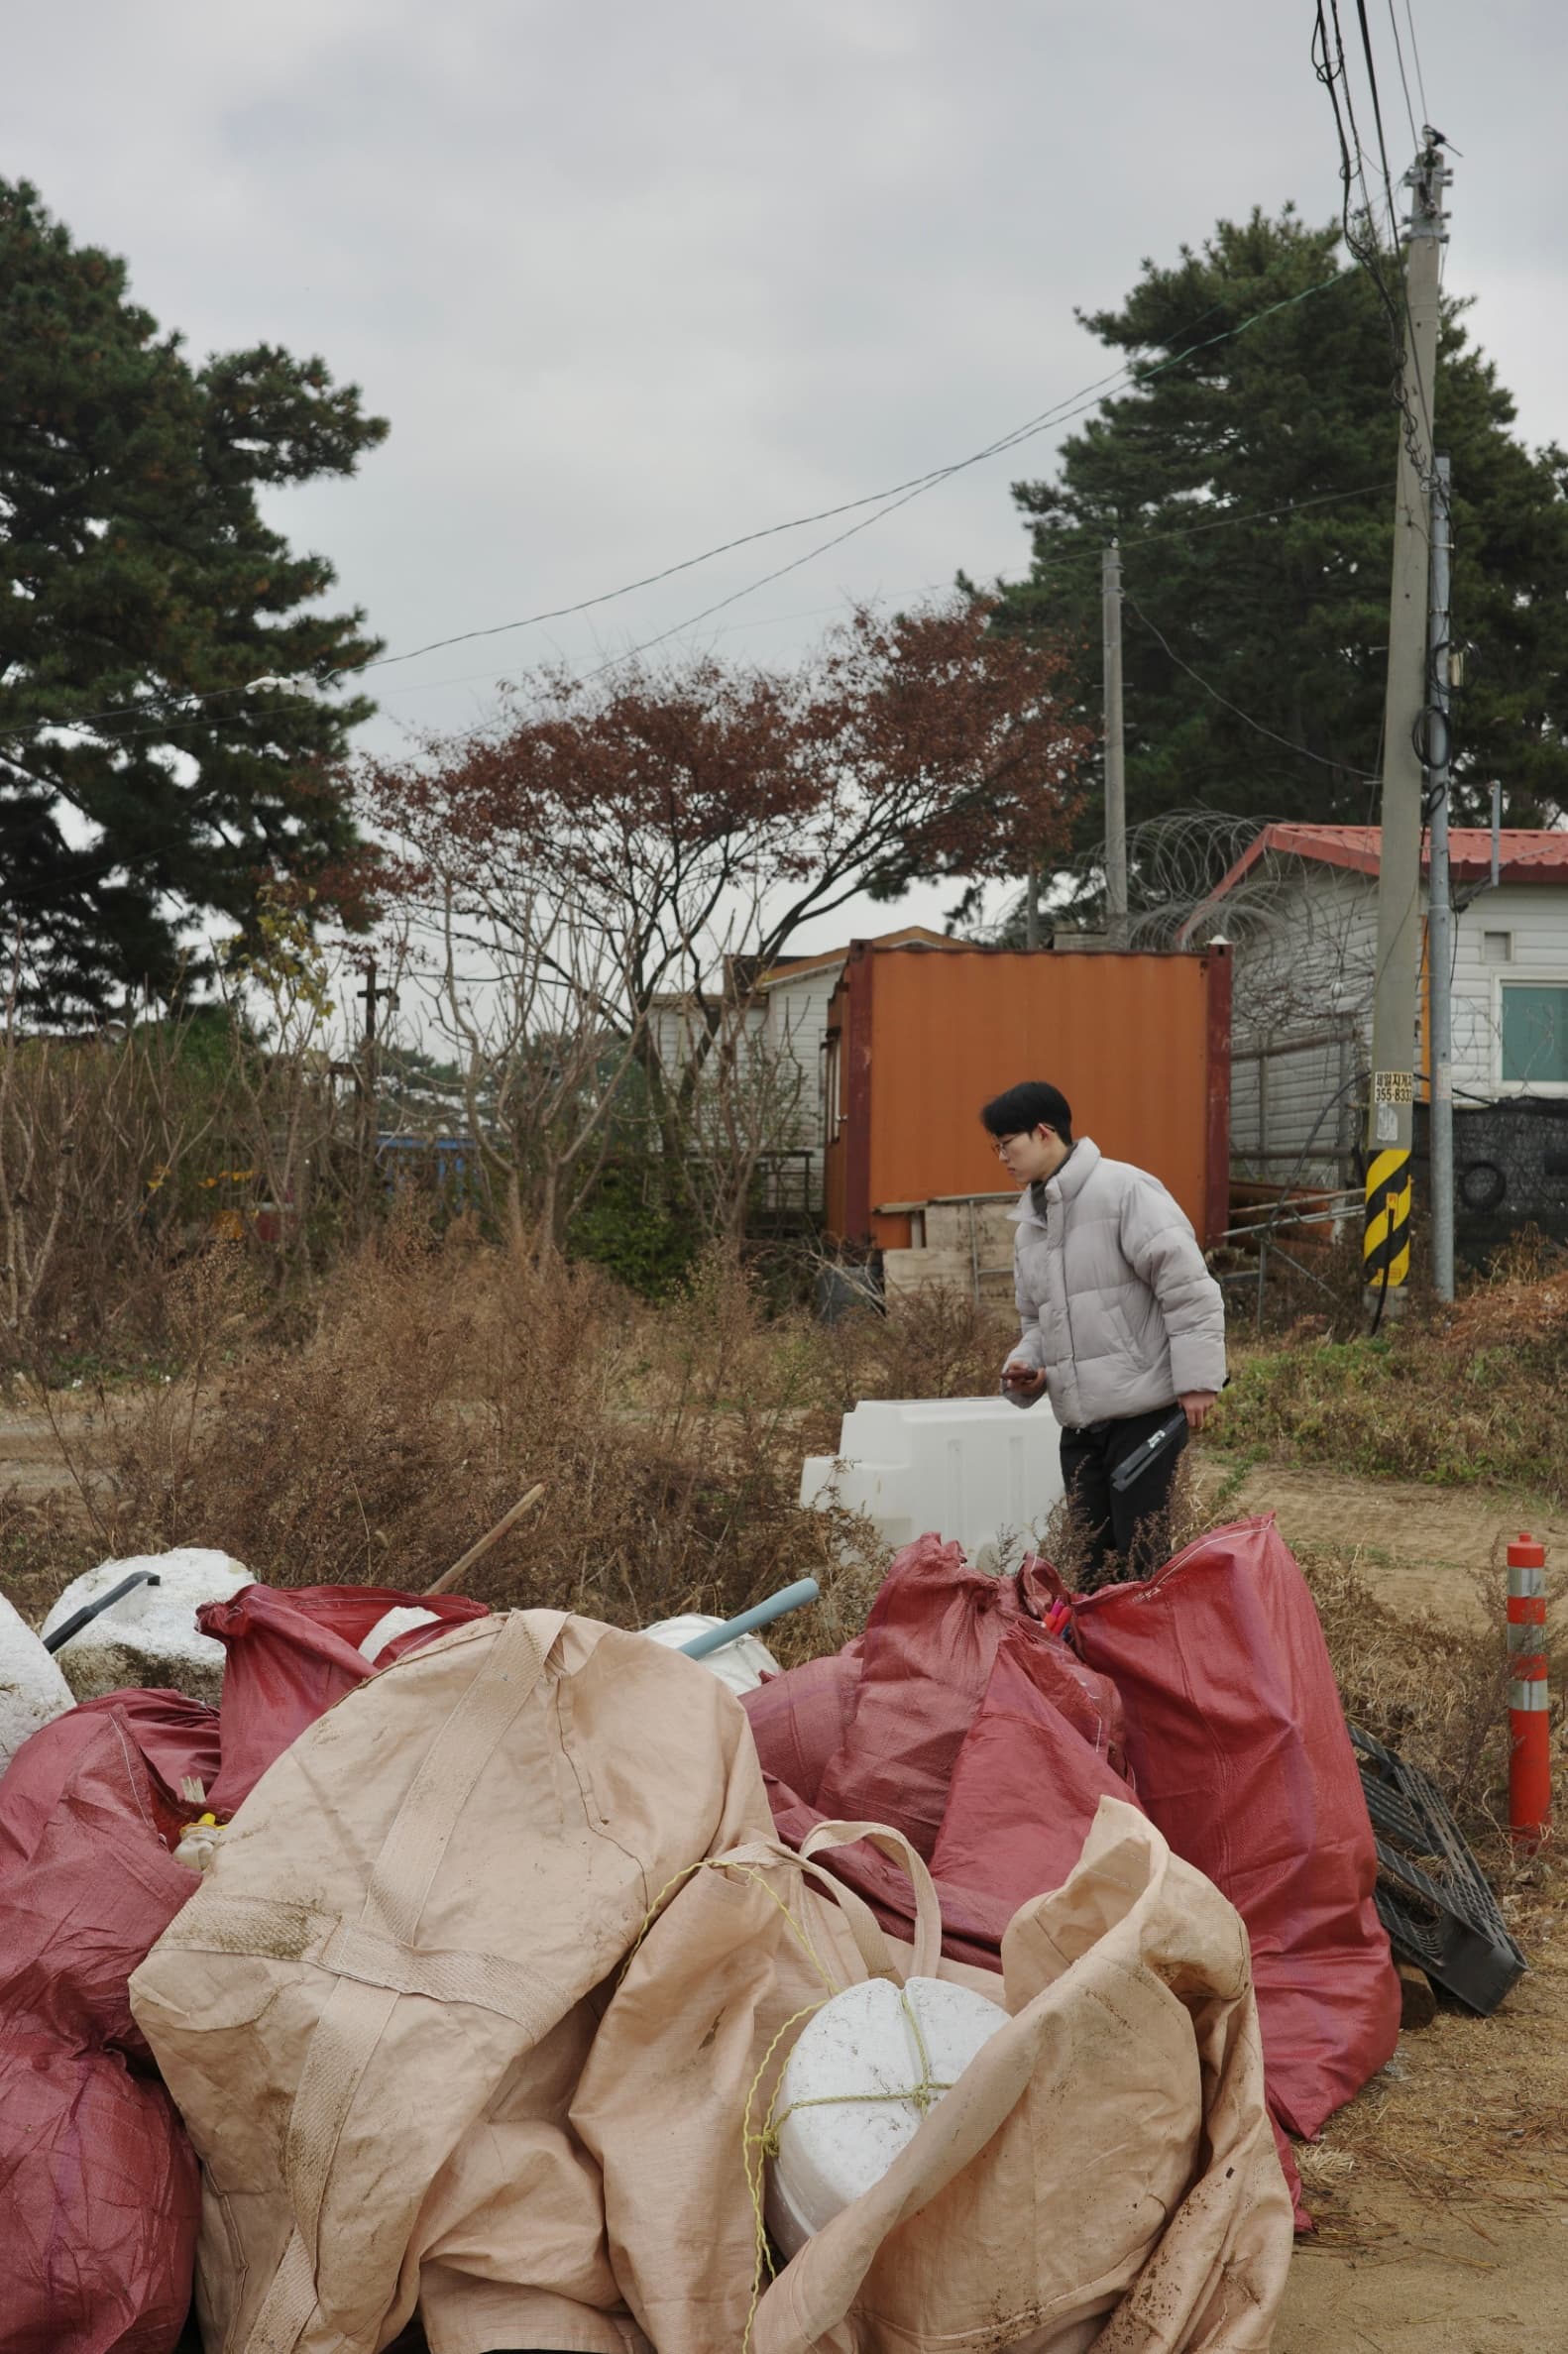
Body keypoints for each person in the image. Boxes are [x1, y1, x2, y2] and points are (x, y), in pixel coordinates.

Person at [981, 1079, 1226, 1585]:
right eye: (997, 1146)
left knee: (1140, 1562)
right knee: (1091, 1564)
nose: (1001, 1156)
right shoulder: (1030, 1226)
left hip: (1142, 1415)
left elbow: (1188, 1289)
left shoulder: (1125, 1191)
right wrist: (1028, 1368)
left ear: (1044, 1132)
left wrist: (1200, 1382)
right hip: (1079, 1423)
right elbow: (1037, 1322)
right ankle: (1098, 1663)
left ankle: (1148, 1661)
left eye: (1008, 1143)